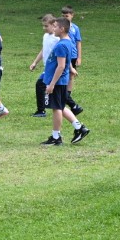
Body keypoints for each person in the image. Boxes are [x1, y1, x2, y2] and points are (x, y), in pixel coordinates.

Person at [41, 17, 89, 145]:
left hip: (57, 82)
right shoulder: (67, 42)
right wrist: (71, 69)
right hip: (60, 81)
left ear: (62, 29)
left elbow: (61, 66)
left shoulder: (61, 45)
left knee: (56, 108)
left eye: (55, 26)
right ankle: (79, 128)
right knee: (61, 106)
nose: (53, 28)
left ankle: (56, 137)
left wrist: (52, 84)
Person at [28, 13, 59, 117]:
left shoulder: (57, 38)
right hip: (47, 67)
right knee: (48, 87)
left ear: (54, 25)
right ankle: (73, 106)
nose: (44, 28)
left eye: (46, 26)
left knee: (41, 85)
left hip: (53, 68)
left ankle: (41, 111)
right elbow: (43, 50)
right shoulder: (45, 36)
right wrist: (35, 62)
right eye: (43, 26)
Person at [62, 5, 84, 116]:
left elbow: (78, 42)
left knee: (71, 76)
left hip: (73, 55)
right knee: (63, 75)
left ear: (72, 15)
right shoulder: (60, 27)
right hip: (64, 55)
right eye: (63, 16)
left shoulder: (75, 28)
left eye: (67, 16)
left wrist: (79, 57)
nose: (65, 18)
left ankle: (68, 95)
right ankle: (65, 96)